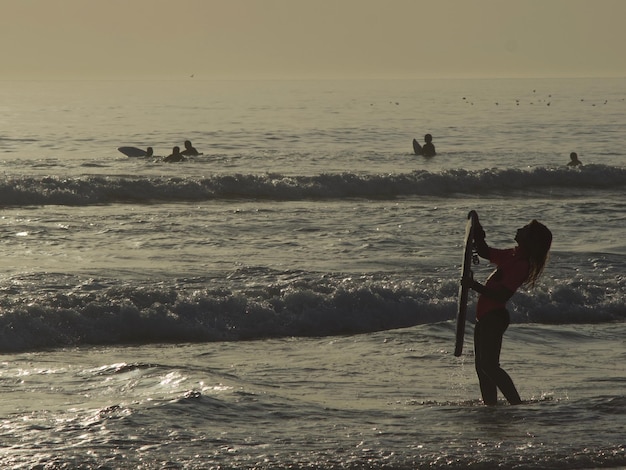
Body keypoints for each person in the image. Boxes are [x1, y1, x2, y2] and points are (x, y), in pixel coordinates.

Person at [463, 215, 552, 406]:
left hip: (494, 317)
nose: (520, 228)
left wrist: (473, 285)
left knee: (489, 365)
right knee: (482, 368)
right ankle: (491, 406)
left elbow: (501, 296)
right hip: (485, 317)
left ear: (530, 240)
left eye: (525, 229)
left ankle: (516, 403)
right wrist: (478, 233)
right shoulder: (512, 255)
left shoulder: (521, 265)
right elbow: (486, 252)